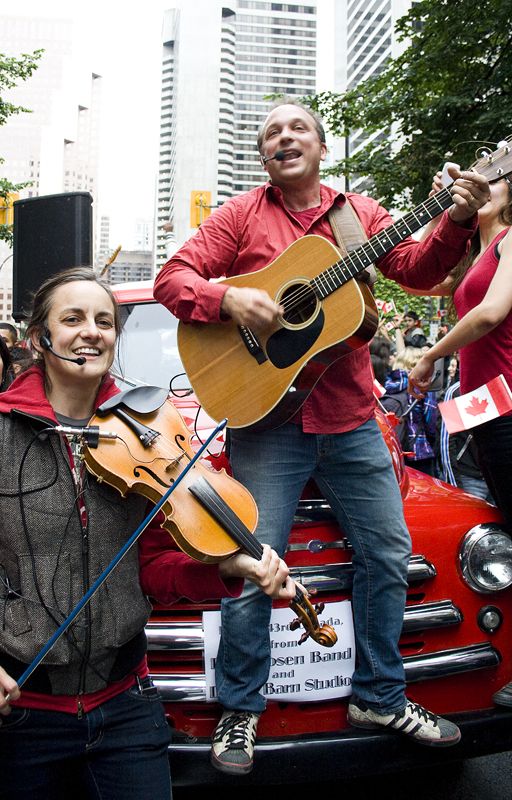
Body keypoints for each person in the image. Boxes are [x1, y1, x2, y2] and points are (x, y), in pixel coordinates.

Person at [153, 99, 490, 773]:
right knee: (254, 566)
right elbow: (173, 279)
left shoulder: (358, 215)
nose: (284, 137)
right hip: (267, 424)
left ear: (321, 146)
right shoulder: (241, 216)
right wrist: (230, 300)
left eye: (297, 128)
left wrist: (455, 217)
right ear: (263, 156)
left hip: (350, 418)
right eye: (271, 132)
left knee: (388, 554)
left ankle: (379, 695)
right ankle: (242, 711)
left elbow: (420, 271)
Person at [0, 267, 295, 800]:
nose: (92, 331)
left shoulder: (148, 431)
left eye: (105, 321)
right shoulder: (2, 432)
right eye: (72, 319)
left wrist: (227, 568)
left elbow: (155, 571)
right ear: (39, 339)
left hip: (127, 706)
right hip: (24, 715)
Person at [408, 169, 512, 707]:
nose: (481, 187)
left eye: (493, 182)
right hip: (484, 412)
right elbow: (416, 279)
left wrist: (430, 354)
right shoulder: (476, 255)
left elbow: (491, 314)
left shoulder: (511, 243)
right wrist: (440, 212)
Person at [382, 347, 438, 475]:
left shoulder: (389, 385)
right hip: (419, 453)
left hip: (394, 452)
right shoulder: (422, 387)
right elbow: (431, 425)